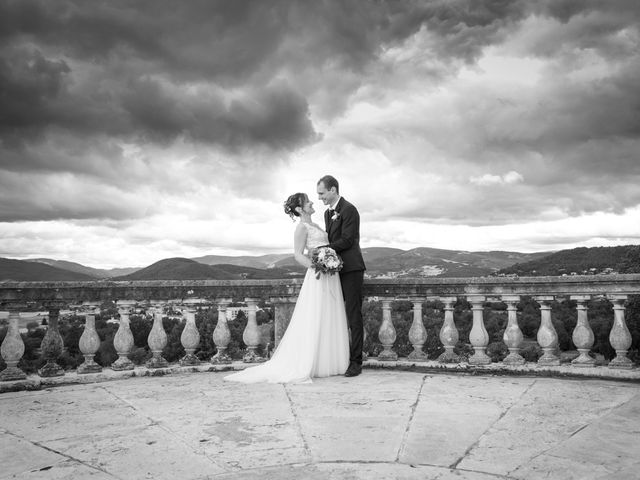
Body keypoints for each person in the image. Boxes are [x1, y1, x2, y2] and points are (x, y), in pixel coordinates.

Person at [224, 193, 350, 384]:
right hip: (318, 275)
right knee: (315, 315)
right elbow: (298, 255)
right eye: (307, 202)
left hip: (330, 275)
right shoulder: (302, 228)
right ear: (299, 209)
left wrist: (330, 262)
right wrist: (318, 266)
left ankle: (329, 361)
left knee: (329, 314)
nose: (311, 202)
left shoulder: (317, 224)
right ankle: (310, 362)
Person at [317, 175, 366, 377]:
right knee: (337, 314)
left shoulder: (349, 210)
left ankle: (356, 362)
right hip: (335, 268)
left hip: (352, 269)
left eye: (322, 193)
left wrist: (324, 249)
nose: (320, 198)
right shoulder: (329, 213)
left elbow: (347, 240)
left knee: (353, 315)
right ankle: (341, 357)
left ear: (333, 190)